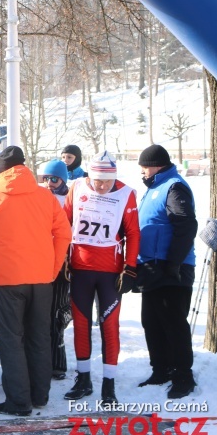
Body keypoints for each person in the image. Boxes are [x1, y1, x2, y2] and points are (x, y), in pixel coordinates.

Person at [0, 146, 71, 417]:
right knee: (39, 336)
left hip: (6, 279)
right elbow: (64, 234)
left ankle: (18, 401)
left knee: (11, 340)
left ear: (0, 168)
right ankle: (39, 396)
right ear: (24, 166)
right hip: (41, 279)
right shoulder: (45, 196)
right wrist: (52, 268)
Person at [62, 151, 140, 405]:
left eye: (108, 181)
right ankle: (83, 379)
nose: (103, 186)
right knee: (81, 325)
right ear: (90, 177)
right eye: (98, 181)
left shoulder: (125, 193)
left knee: (110, 327)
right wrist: (63, 258)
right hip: (81, 268)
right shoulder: (77, 187)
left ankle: (109, 385)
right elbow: (63, 224)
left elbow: (133, 232)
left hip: (110, 273)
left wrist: (129, 268)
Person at [135, 144, 198, 399]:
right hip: (151, 266)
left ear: (156, 166)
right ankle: (161, 369)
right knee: (151, 321)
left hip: (172, 267)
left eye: (144, 168)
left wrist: (173, 263)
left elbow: (185, 225)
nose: (142, 172)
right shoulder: (155, 188)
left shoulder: (174, 186)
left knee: (173, 323)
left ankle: (183, 376)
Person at [39, 159, 72, 381]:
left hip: (63, 263)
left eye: (54, 179)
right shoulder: (40, 198)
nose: (50, 183)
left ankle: (58, 363)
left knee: (57, 313)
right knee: (40, 314)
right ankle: (41, 360)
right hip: (41, 261)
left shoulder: (70, 199)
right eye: (46, 178)